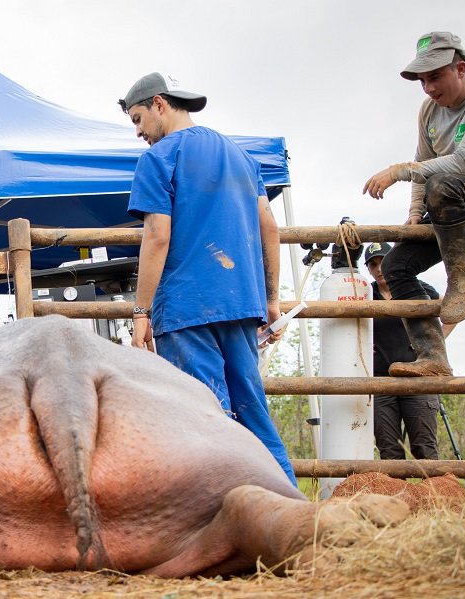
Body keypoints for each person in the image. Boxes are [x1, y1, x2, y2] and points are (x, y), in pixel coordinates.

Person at [118, 72, 296, 486]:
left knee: (203, 420)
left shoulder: (159, 158)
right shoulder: (240, 155)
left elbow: (157, 234)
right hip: (240, 302)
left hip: (186, 307)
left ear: (159, 104)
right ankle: (297, 517)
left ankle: (225, 527)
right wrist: (271, 298)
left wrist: (141, 310)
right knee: (254, 413)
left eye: (138, 119)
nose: (140, 132)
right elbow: (269, 227)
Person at [363, 32, 465, 376]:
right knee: (396, 265)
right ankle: (433, 357)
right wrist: (415, 214)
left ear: (460, 69)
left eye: (435, 77)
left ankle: (459, 280)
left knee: (443, 184)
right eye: (423, 80)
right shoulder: (429, 111)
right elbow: (424, 160)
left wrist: (400, 172)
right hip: (451, 211)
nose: (428, 88)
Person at [364, 242, 453, 459]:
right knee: (389, 450)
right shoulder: (365, 294)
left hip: (419, 377)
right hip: (381, 379)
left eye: (383, 261)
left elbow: (450, 312)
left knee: (425, 447)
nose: (378, 269)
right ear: (368, 269)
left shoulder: (414, 287)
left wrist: (435, 342)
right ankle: (396, 494)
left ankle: (433, 493)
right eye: (372, 264)